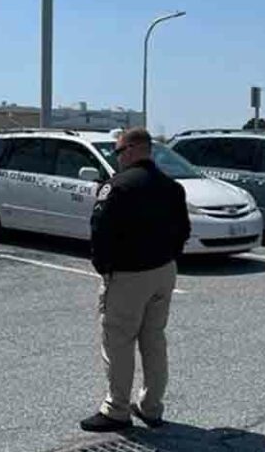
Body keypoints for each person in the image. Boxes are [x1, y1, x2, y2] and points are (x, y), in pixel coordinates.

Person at [80, 128, 191, 432]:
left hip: (128, 275)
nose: (117, 158)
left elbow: (100, 231)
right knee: (154, 340)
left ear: (130, 150)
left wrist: (104, 268)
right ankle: (151, 406)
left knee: (118, 341)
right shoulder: (172, 187)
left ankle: (116, 409)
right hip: (164, 271)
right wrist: (168, 256)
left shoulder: (117, 186)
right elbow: (184, 230)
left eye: (118, 152)